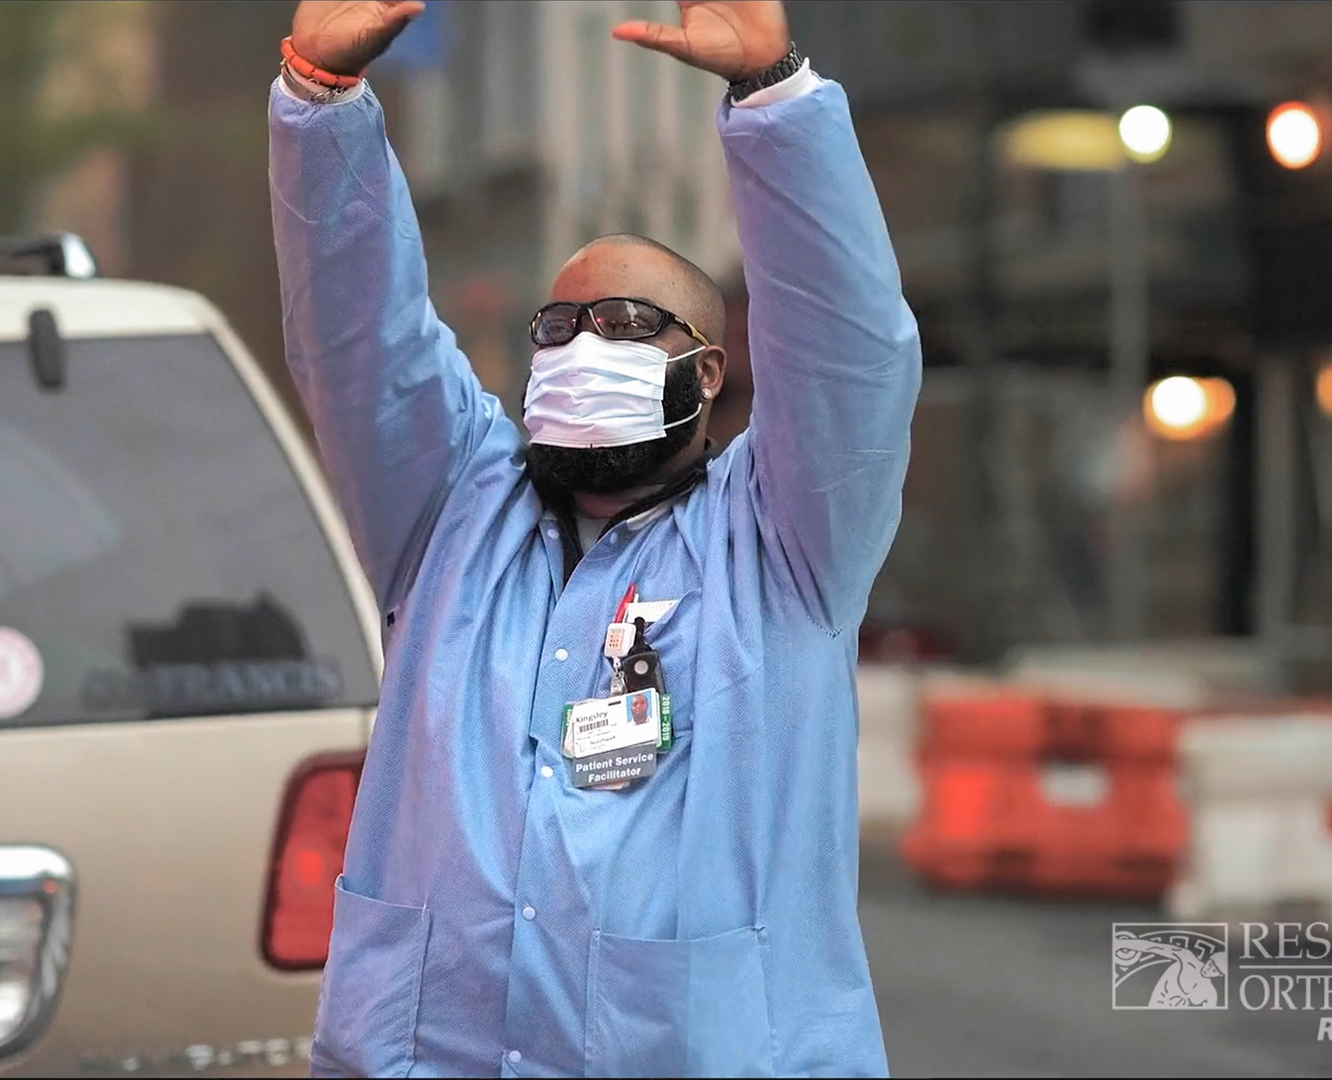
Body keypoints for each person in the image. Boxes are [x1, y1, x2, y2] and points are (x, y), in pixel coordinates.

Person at [269, 1, 920, 1075]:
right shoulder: (451, 518)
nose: (579, 348)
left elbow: (851, 351)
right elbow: (359, 344)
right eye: (556, 329)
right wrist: (318, 103)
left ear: (707, 372)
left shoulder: (785, 542)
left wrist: (774, 100)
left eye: (623, 326)